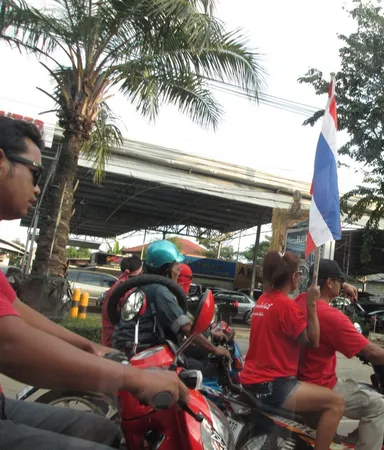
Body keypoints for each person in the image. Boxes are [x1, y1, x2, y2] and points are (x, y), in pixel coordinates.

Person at [0, 115, 187, 449]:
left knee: (103, 431)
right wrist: (132, 377)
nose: (38, 187)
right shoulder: (158, 290)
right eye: (35, 173)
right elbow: (9, 343)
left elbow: (14, 309)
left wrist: (86, 345)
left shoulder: (134, 284)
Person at [296, 259, 384, 450]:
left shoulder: (302, 299)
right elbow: (371, 352)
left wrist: (343, 285)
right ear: (329, 283)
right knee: (377, 404)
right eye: (339, 280)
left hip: (297, 381)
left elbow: (325, 289)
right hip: (321, 384)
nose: (342, 284)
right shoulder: (332, 317)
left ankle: (345, 443)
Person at [240, 251, 345, 450]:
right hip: (275, 386)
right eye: (299, 275)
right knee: (336, 403)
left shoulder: (264, 300)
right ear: (294, 277)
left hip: (252, 381)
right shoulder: (286, 306)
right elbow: (313, 341)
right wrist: (312, 304)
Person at [111, 240, 230, 362]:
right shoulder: (159, 291)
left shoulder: (146, 286)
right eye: (175, 264)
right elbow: (187, 328)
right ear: (166, 268)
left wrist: (210, 333)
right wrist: (215, 349)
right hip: (143, 351)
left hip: (134, 347)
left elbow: (186, 319)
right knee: (198, 367)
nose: (179, 268)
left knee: (197, 353)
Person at [101, 255, 143, 347]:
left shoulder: (118, 284)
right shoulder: (128, 289)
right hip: (118, 341)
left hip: (108, 337)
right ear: (140, 271)